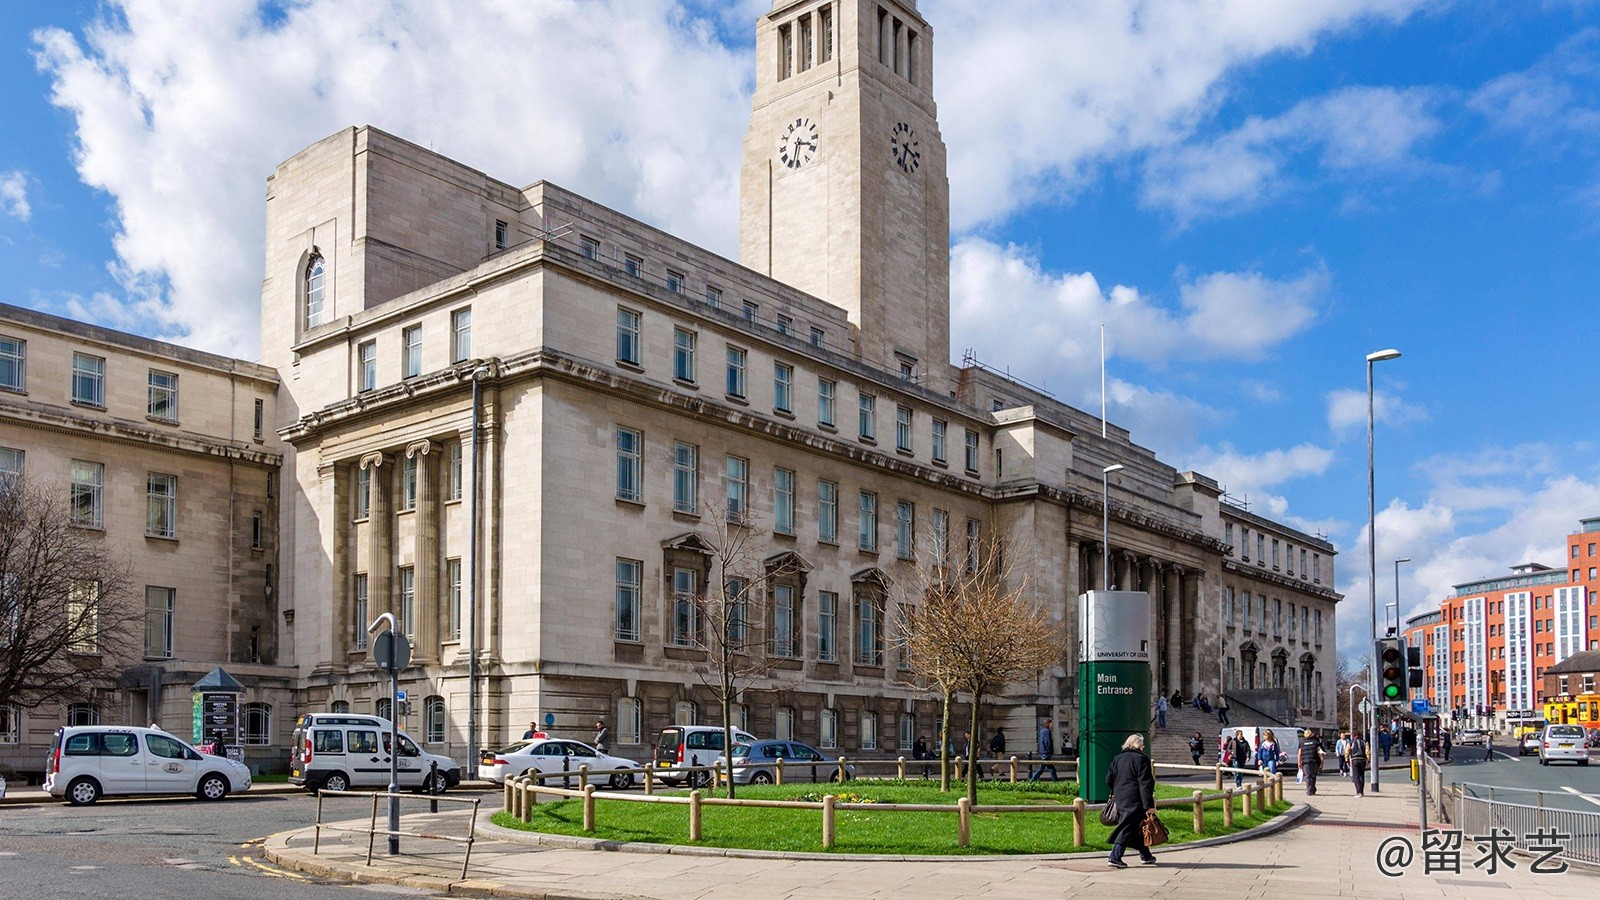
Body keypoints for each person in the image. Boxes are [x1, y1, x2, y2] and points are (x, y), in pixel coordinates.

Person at [1105, 733, 1158, 868]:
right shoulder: (1142, 759)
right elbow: (1145, 783)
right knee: (1127, 826)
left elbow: (1109, 779)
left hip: (1120, 797)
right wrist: (1149, 806)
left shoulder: (1117, 758)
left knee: (1136, 826)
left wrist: (1118, 790)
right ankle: (1114, 856)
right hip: (1135, 799)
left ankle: (1146, 856)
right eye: (1142, 745)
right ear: (1139, 745)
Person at [1298, 729, 1322, 795]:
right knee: (1313, 776)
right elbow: (1319, 752)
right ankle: (1312, 789)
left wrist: (1299, 762)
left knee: (1308, 776)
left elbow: (1299, 753)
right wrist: (1321, 762)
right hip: (1314, 761)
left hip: (1305, 762)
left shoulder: (1301, 742)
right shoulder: (1315, 742)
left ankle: (1309, 790)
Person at [1347, 731, 1367, 796]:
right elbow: (1367, 751)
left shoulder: (1351, 742)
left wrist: (1347, 760)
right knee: (1361, 775)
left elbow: (1347, 751)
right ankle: (1362, 791)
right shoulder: (1364, 742)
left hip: (1354, 759)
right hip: (1362, 759)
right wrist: (1368, 760)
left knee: (1356, 776)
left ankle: (1359, 792)